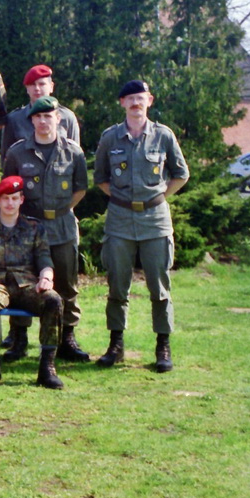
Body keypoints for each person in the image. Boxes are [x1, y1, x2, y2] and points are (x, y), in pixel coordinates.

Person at [93, 80, 189, 373]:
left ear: (150, 100)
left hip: (155, 221)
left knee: (159, 285)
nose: (136, 103)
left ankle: (163, 345)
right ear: (122, 103)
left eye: (141, 98)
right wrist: (122, 200)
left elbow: (181, 173)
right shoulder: (110, 137)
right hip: (120, 220)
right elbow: (101, 178)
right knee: (117, 284)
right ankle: (116, 345)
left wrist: (158, 197)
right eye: (130, 99)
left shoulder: (163, 135)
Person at [3, 96, 89, 363]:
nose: (43, 121)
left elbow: (80, 188)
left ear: (58, 118)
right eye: (38, 117)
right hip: (27, 228)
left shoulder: (73, 152)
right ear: (31, 120)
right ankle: (19, 338)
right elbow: (9, 187)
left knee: (66, 283)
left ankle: (66, 337)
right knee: (22, 281)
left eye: (48, 116)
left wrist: (61, 209)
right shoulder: (18, 152)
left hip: (61, 227)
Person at [0, 176, 64, 390]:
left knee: (53, 300)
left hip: (27, 285)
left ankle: (47, 367)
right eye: (5, 198)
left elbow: (45, 260)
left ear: (22, 200)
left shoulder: (34, 227)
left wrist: (46, 278)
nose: (10, 203)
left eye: (14, 198)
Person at [1, 64, 81, 152]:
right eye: (32, 84)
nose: (37, 88)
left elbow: (75, 153)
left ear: (51, 87)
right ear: (27, 89)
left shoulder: (67, 118)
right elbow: (7, 157)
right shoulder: (14, 120)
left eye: (42, 84)